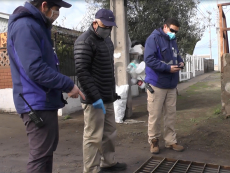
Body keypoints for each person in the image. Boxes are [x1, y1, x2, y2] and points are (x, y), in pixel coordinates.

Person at [7, 0, 85, 172]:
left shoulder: (35, 25)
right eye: (55, 10)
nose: (57, 15)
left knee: (45, 153)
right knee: (40, 157)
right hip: (35, 102)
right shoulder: (25, 26)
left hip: (41, 100)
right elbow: (35, 68)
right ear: (44, 6)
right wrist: (67, 84)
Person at [74, 9, 127, 173]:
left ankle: (108, 163)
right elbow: (82, 72)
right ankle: (91, 170)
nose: (108, 30)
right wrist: (95, 98)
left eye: (111, 27)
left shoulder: (107, 41)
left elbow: (107, 70)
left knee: (110, 133)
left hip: (107, 97)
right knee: (93, 137)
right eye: (105, 26)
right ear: (95, 23)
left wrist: (111, 94)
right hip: (93, 99)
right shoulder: (84, 41)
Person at [144, 18, 185, 154]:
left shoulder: (172, 40)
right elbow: (149, 59)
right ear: (165, 27)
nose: (174, 33)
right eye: (172, 30)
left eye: (176, 31)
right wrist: (167, 68)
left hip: (171, 84)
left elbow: (176, 55)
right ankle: (154, 141)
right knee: (155, 115)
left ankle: (170, 141)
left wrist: (181, 63)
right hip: (157, 84)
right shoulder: (153, 39)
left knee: (171, 115)